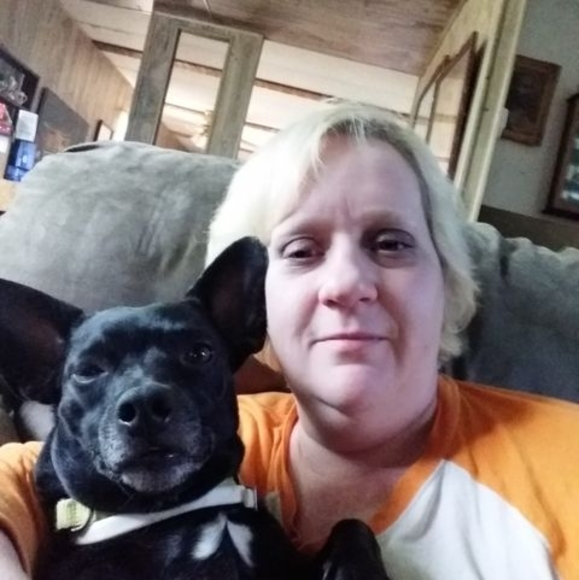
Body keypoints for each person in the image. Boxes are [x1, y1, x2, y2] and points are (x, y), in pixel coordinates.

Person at [1, 101, 579, 579]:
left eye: (390, 243)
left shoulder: (564, 464)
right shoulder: (232, 433)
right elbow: (25, 472)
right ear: (260, 304)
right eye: (302, 250)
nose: (347, 283)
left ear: (447, 277)